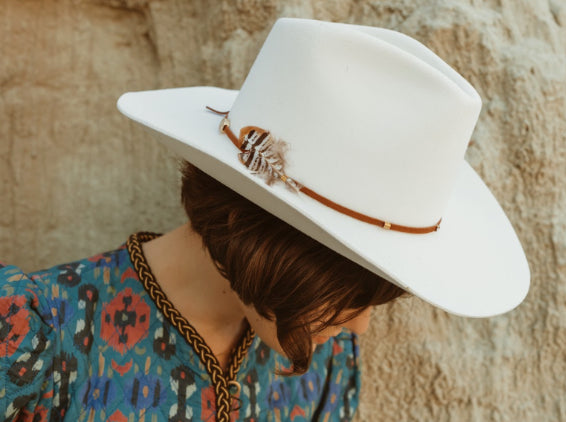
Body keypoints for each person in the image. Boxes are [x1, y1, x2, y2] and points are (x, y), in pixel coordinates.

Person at [0, 18, 529, 421]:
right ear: (279, 248)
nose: (361, 324)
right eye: (353, 290)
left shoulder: (323, 360)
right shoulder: (34, 335)